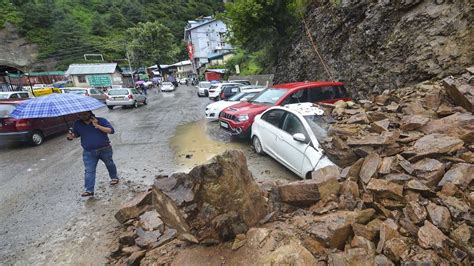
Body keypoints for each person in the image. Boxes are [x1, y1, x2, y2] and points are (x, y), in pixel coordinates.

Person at [67, 111, 119, 197]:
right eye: (81, 115)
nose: (83, 116)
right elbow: (76, 134)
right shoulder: (77, 123)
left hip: (105, 149)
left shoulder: (101, 120)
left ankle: (114, 177)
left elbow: (111, 131)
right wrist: (71, 136)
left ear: (90, 113)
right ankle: (89, 190)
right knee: (89, 170)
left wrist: (97, 126)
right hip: (89, 152)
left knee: (109, 164)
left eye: (85, 114)